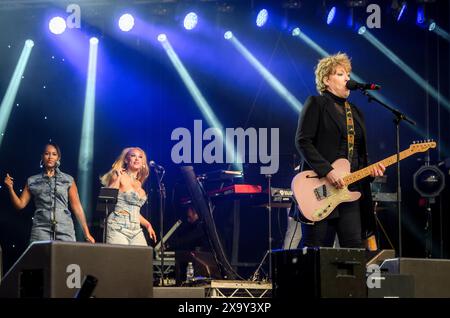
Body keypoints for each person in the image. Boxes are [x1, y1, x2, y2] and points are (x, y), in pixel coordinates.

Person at [295, 52, 385, 248]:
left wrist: (370, 172)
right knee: (317, 248)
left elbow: (359, 154)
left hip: (349, 190)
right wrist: (328, 170)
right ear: (327, 80)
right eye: (340, 74)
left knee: (353, 248)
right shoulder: (316, 104)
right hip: (321, 187)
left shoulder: (355, 112)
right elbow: (303, 141)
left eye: (348, 75)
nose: (347, 79)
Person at [4, 143, 95, 243]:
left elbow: (77, 207)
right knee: (40, 258)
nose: (50, 157)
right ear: (42, 157)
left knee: (66, 258)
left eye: (54, 154)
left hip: (65, 228)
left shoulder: (68, 179)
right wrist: (10, 188)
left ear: (58, 158)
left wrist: (87, 233)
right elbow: (20, 205)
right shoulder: (32, 180)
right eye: (47, 154)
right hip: (41, 228)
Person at [100, 147, 157, 246]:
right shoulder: (119, 176)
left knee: (141, 259)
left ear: (143, 163)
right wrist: (117, 178)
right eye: (133, 156)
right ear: (126, 160)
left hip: (136, 229)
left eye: (140, 157)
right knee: (120, 260)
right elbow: (107, 199)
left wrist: (148, 225)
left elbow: (134, 212)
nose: (137, 159)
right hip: (117, 226)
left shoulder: (139, 183)